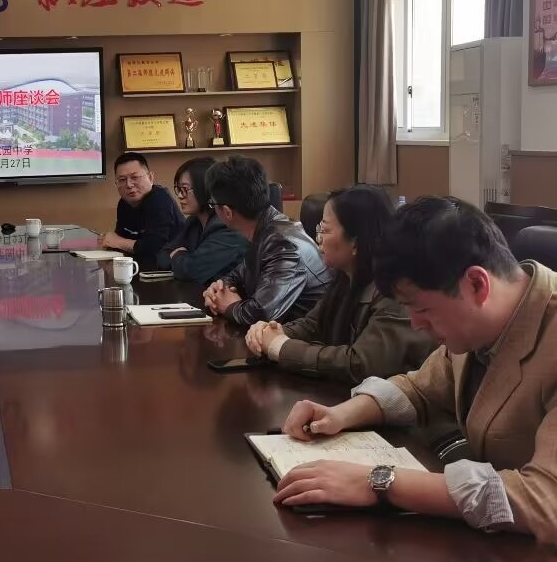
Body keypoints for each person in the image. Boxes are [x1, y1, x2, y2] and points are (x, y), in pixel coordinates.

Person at [276, 197, 557, 543]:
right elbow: (420, 388)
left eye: (421, 309)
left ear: (477, 284)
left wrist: (381, 482)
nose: (415, 324)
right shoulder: (479, 323)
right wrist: (340, 414)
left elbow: (545, 501)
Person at [244, 185, 438, 383]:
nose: (318, 238)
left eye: (324, 229)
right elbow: (313, 325)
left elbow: (360, 364)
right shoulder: (345, 278)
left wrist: (281, 347)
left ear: (355, 242)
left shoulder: (394, 292)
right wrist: (269, 332)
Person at [202, 156, 332, 325]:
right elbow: (237, 275)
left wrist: (228, 306)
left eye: (213, 204)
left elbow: (262, 314)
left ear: (227, 212)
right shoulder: (267, 229)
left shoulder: (282, 243)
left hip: (310, 336)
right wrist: (218, 290)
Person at [156, 157, 248, 285]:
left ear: (205, 189)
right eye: (178, 189)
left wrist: (178, 254)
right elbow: (162, 255)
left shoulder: (228, 226)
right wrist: (183, 259)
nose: (180, 196)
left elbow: (192, 271)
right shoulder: (193, 221)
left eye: (185, 189)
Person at [99, 152, 184, 270]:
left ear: (150, 178)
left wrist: (117, 242)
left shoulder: (159, 199)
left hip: (169, 270)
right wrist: (109, 241)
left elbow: (155, 247)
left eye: (135, 177)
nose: (129, 185)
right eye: (122, 180)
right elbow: (121, 238)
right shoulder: (124, 203)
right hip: (141, 266)